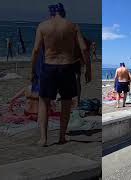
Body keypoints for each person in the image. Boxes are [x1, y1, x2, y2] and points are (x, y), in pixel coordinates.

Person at [31, 3, 91, 146]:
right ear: (63, 13)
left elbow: (35, 50)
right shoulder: (72, 26)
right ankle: (62, 137)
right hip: (67, 67)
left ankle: (44, 139)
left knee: (44, 102)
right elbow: (83, 48)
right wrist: (88, 69)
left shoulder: (43, 26)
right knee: (66, 102)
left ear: (51, 13)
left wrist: (33, 70)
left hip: (48, 67)